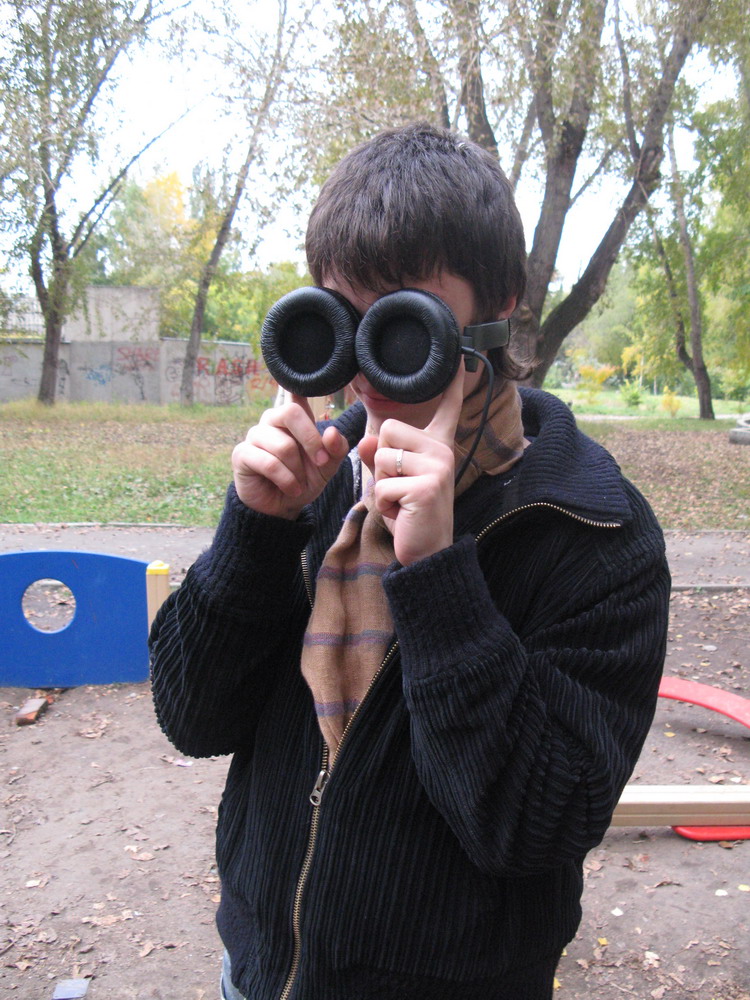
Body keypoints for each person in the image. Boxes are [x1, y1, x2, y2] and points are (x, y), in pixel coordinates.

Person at [149, 122, 670, 1000]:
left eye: (401, 321)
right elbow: (192, 718)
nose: (363, 367)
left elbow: (537, 826)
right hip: (263, 970)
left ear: (496, 310)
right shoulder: (312, 479)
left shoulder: (594, 530)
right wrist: (254, 531)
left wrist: (437, 578)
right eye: (340, 316)